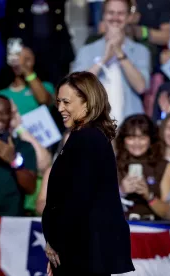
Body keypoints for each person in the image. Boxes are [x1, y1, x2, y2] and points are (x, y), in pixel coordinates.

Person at [41, 72, 134, 275]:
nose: (60, 108)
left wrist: (56, 243)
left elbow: (77, 199)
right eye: (58, 102)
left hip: (83, 253)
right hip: (79, 250)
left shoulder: (88, 138)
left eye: (66, 102)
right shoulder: (85, 136)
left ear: (87, 102)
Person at [73, 0, 151, 125]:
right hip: (95, 124)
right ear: (103, 15)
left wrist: (119, 53)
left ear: (128, 17)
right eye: (111, 12)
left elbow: (141, 87)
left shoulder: (141, 51)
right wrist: (104, 59)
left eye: (120, 13)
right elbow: (77, 87)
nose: (115, 17)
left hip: (129, 128)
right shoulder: (87, 50)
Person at [116, 114, 170, 220]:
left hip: (152, 231)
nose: (137, 143)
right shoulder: (111, 164)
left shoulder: (165, 167)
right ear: (123, 140)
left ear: (150, 139)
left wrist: (149, 196)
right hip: (120, 231)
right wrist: (121, 191)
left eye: (142, 137)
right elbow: (97, 207)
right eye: (131, 137)